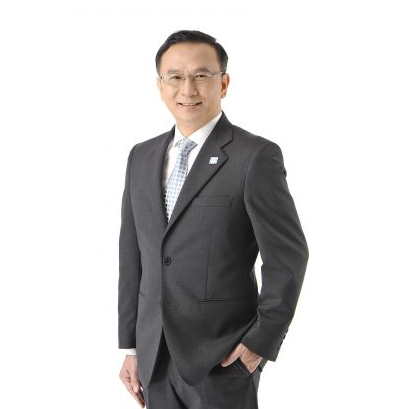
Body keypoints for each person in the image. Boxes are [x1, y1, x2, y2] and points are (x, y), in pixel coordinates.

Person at [118, 30, 309, 408]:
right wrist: (132, 347)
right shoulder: (141, 156)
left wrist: (260, 341)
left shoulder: (254, 156)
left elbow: (288, 257)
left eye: (201, 75)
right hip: (154, 358)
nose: (187, 88)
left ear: (223, 83)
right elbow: (132, 256)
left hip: (222, 358)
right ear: (160, 85)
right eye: (175, 76)